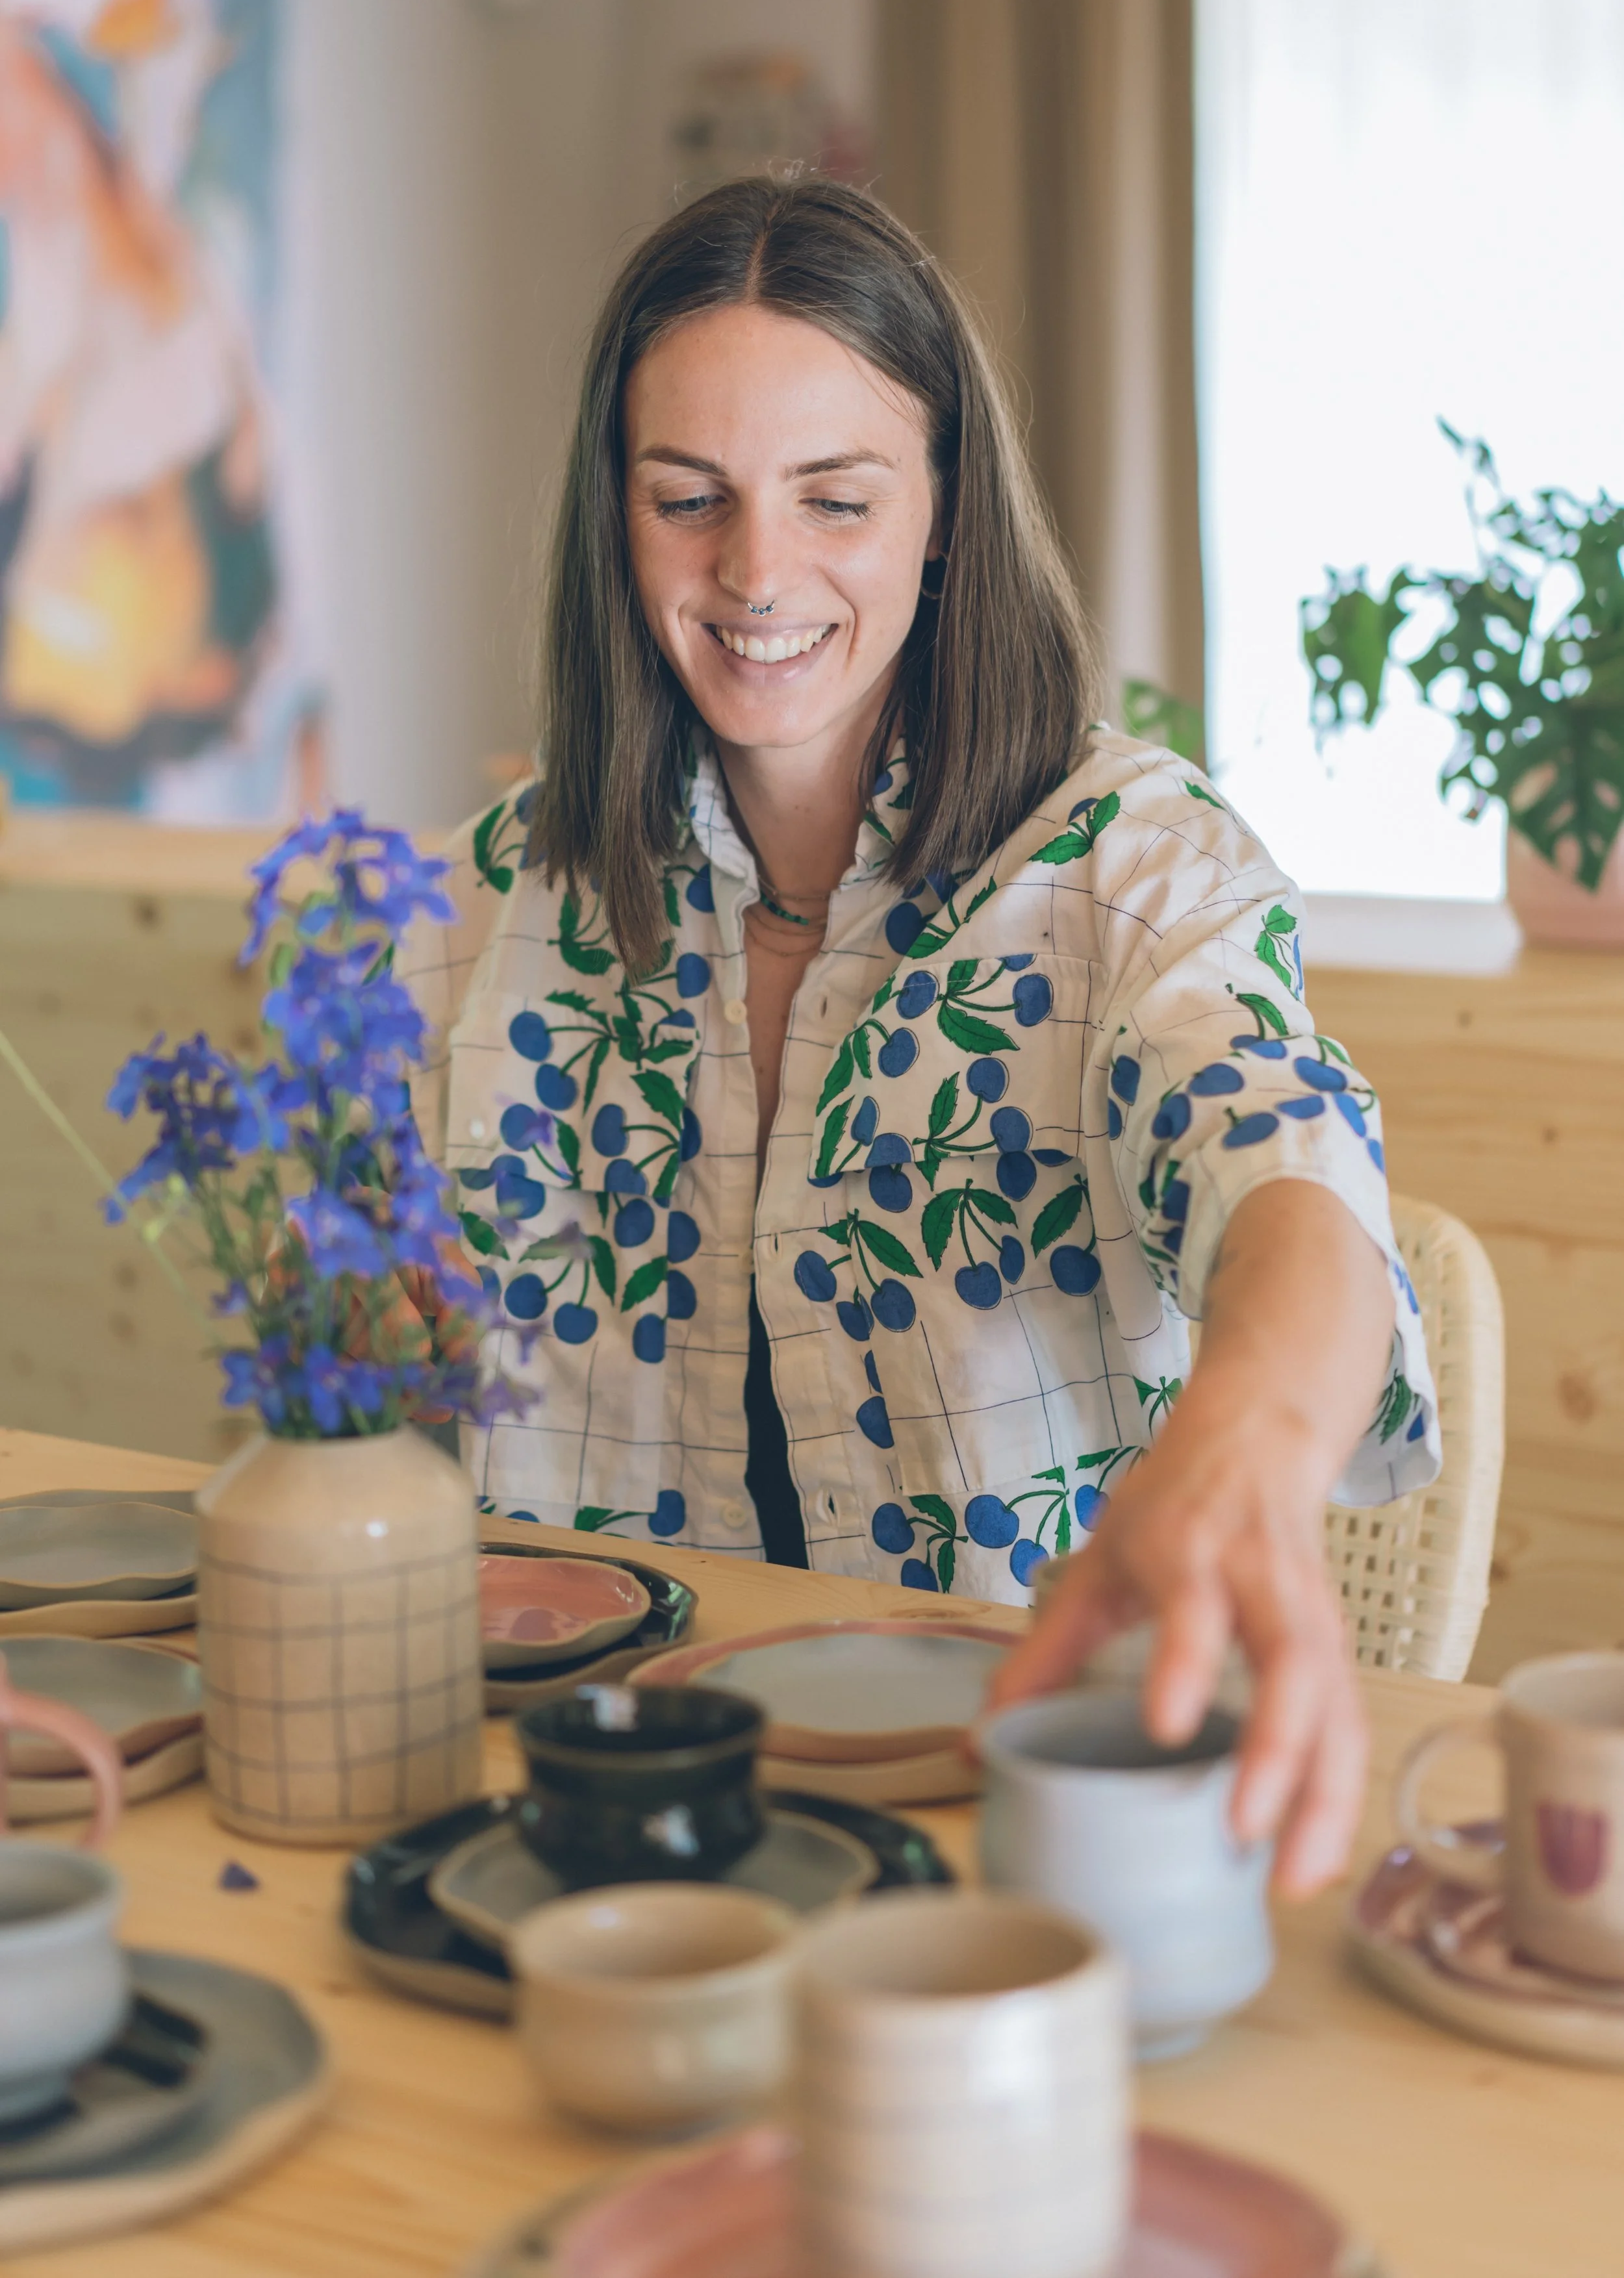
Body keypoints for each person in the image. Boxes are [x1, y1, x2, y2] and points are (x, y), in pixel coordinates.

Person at [398, 175, 1436, 1897]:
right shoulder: (480, 913)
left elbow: (1286, 1166)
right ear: (616, 516)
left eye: (836, 498)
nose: (755, 571)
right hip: (601, 1853)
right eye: (687, 499)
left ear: (944, 508)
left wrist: (1242, 1448)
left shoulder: (1129, 876)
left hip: (1032, 1840)